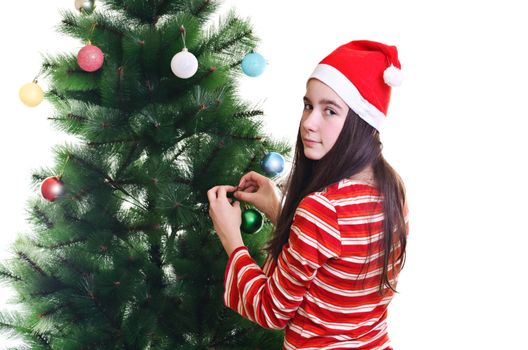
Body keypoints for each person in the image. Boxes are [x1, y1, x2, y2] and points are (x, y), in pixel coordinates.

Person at [207, 40, 409, 350]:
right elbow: (335, 267)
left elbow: (270, 310)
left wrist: (231, 238)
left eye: (330, 111)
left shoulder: (322, 209)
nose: (308, 123)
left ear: (362, 121)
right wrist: (278, 209)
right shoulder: (392, 187)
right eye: (308, 105)